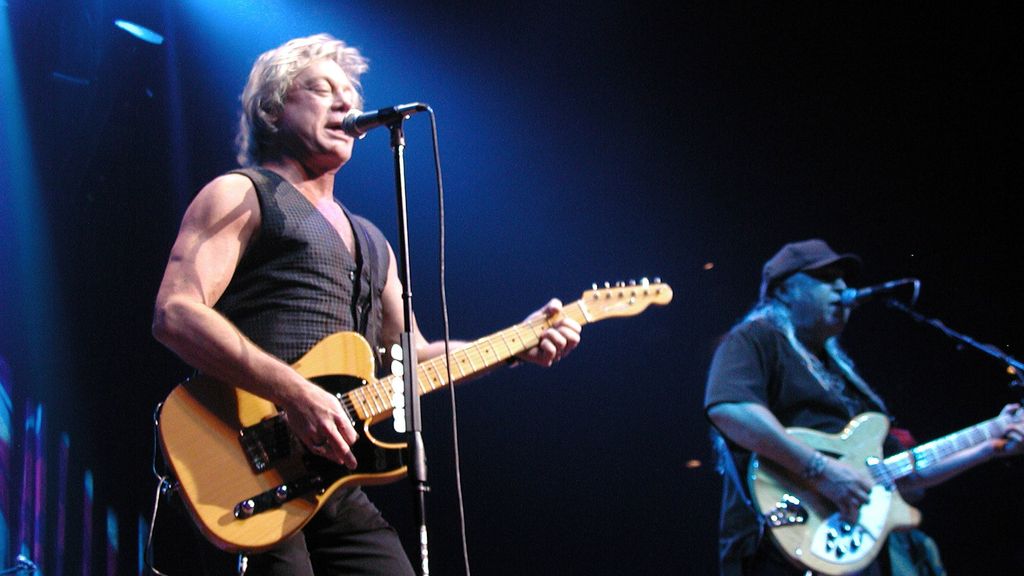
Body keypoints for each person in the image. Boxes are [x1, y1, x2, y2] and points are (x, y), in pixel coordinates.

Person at [151, 33, 582, 575]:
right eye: (321, 89)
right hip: (247, 456)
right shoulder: (241, 193)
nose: (345, 103)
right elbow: (176, 312)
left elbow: (413, 359)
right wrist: (293, 391)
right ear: (272, 108)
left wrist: (517, 344)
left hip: (333, 472)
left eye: (349, 92)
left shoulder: (373, 241)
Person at [703, 238, 1023, 575]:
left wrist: (990, 443)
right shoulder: (756, 339)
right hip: (779, 543)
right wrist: (821, 470)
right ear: (785, 292)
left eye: (843, 277)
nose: (842, 286)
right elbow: (731, 408)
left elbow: (904, 474)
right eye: (826, 277)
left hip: (851, 549)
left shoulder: (843, 375)